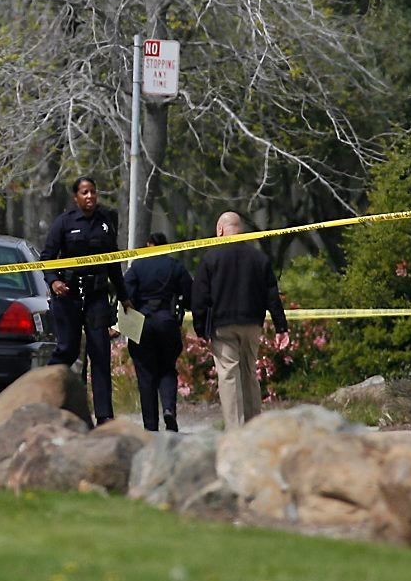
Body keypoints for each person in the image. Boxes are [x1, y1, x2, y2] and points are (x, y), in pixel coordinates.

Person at [40, 176, 133, 425]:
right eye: (84, 192)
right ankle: (43, 396)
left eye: (93, 191)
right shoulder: (64, 223)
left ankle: (104, 415)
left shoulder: (105, 222)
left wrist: (124, 297)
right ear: (76, 197)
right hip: (68, 295)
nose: (90, 196)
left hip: (96, 296)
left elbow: (114, 263)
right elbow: (47, 257)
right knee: (67, 349)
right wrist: (53, 281)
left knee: (100, 353)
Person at [191, 212, 290, 430]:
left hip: (222, 325)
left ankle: (234, 430)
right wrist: (281, 326)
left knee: (228, 375)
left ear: (220, 230)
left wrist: (200, 329)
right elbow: (272, 294)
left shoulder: (210, 258)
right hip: (252, 323)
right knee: (249, 371)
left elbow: (199, 296)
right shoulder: (259, 258)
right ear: (241, 230)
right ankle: (254, 426)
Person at [124, 232, 193, 432]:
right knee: (167, 369)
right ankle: (169, 409)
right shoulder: (175, 266)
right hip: (167, 322)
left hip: (142, 325)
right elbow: (189, 294)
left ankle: (150, 425)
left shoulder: (137, 266)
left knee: (145, 375)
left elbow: (126, 295)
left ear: (148, 245)